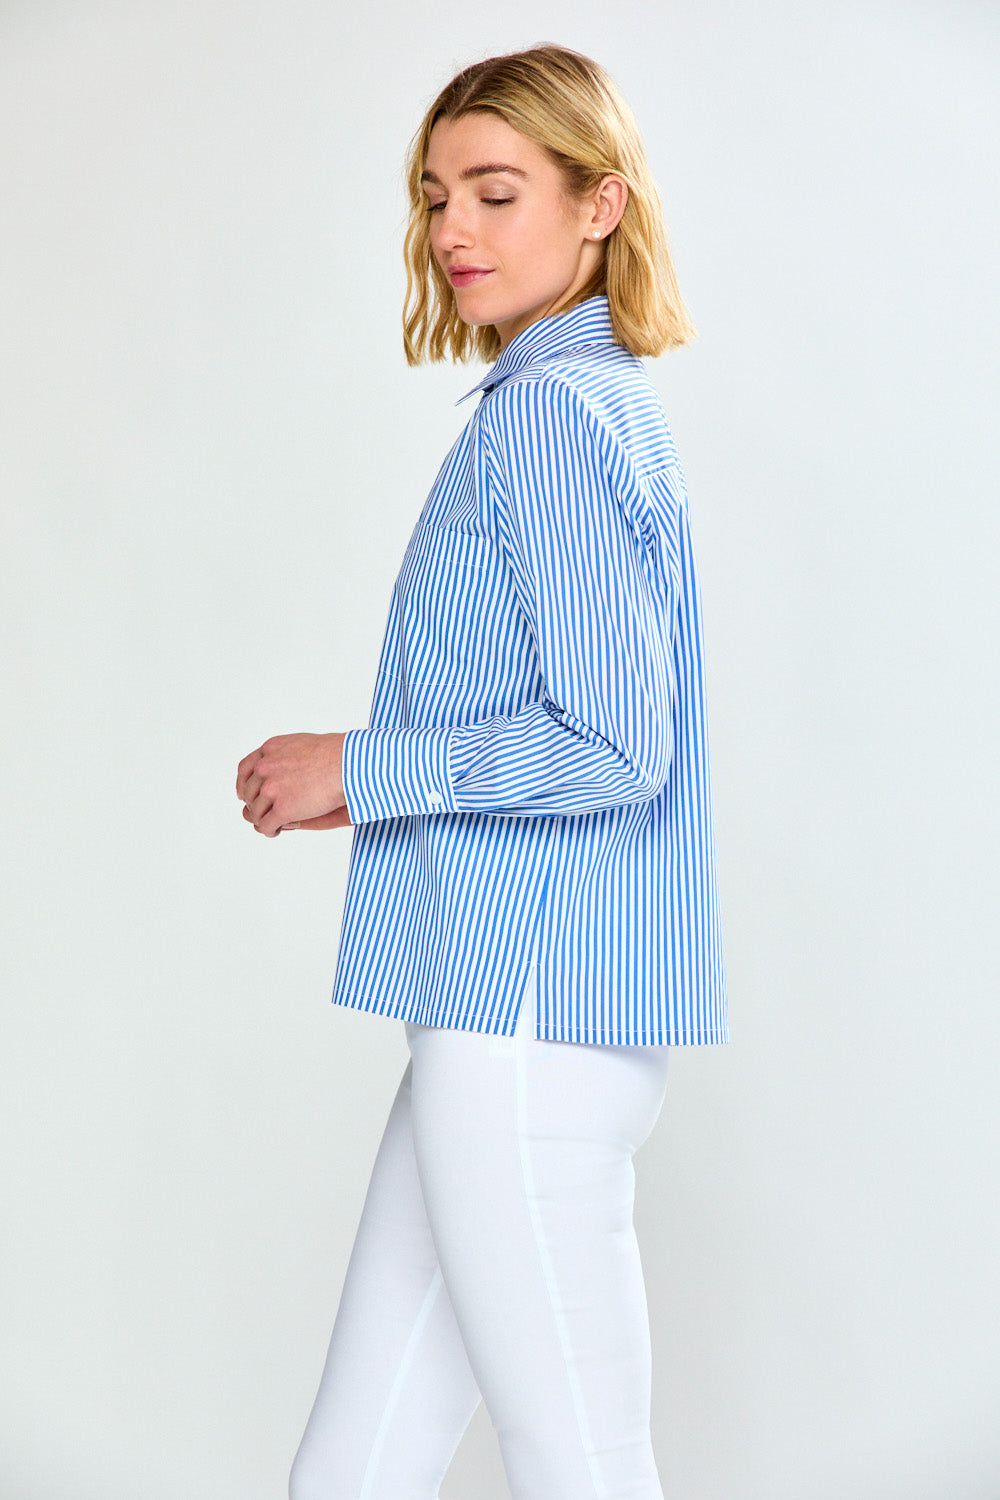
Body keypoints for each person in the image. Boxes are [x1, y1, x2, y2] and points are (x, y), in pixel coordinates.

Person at [237, 43, 726, 1500]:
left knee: (579, 1464)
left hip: (525, 1035)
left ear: (601, 206)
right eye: (437, 194)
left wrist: (367, 763)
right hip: (504, 1015)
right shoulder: (580, 407)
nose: (452, 229)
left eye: (498, 192)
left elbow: (616, 743)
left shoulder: (553, 421)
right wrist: (364, 780)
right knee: (354, 1468)